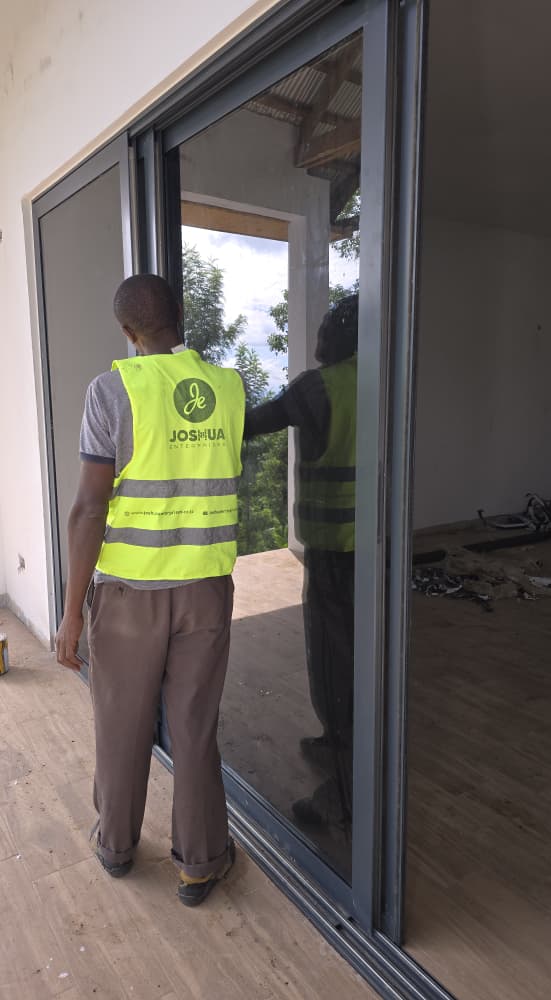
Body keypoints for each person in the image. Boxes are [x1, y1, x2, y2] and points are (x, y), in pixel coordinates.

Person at [55, 273, 245, 907]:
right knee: (194, 728)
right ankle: (200, 865)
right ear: (180, 317)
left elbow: (89, 508)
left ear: (127, 331)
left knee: (121, 723)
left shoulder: (112, 391)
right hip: (205, 590)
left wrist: (70, 614)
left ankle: (116, 846)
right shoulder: (228, 387)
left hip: (129, 596)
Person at [245, 293, 357, 830]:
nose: (319, 337)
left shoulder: (319, 387)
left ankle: (343, 795)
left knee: (335, 660)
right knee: (363, 654)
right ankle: (337, 740)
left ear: (339, 335)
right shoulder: (383, 379)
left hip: (335, 547)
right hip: (377, 547)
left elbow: (254, 423)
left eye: (327, 327)